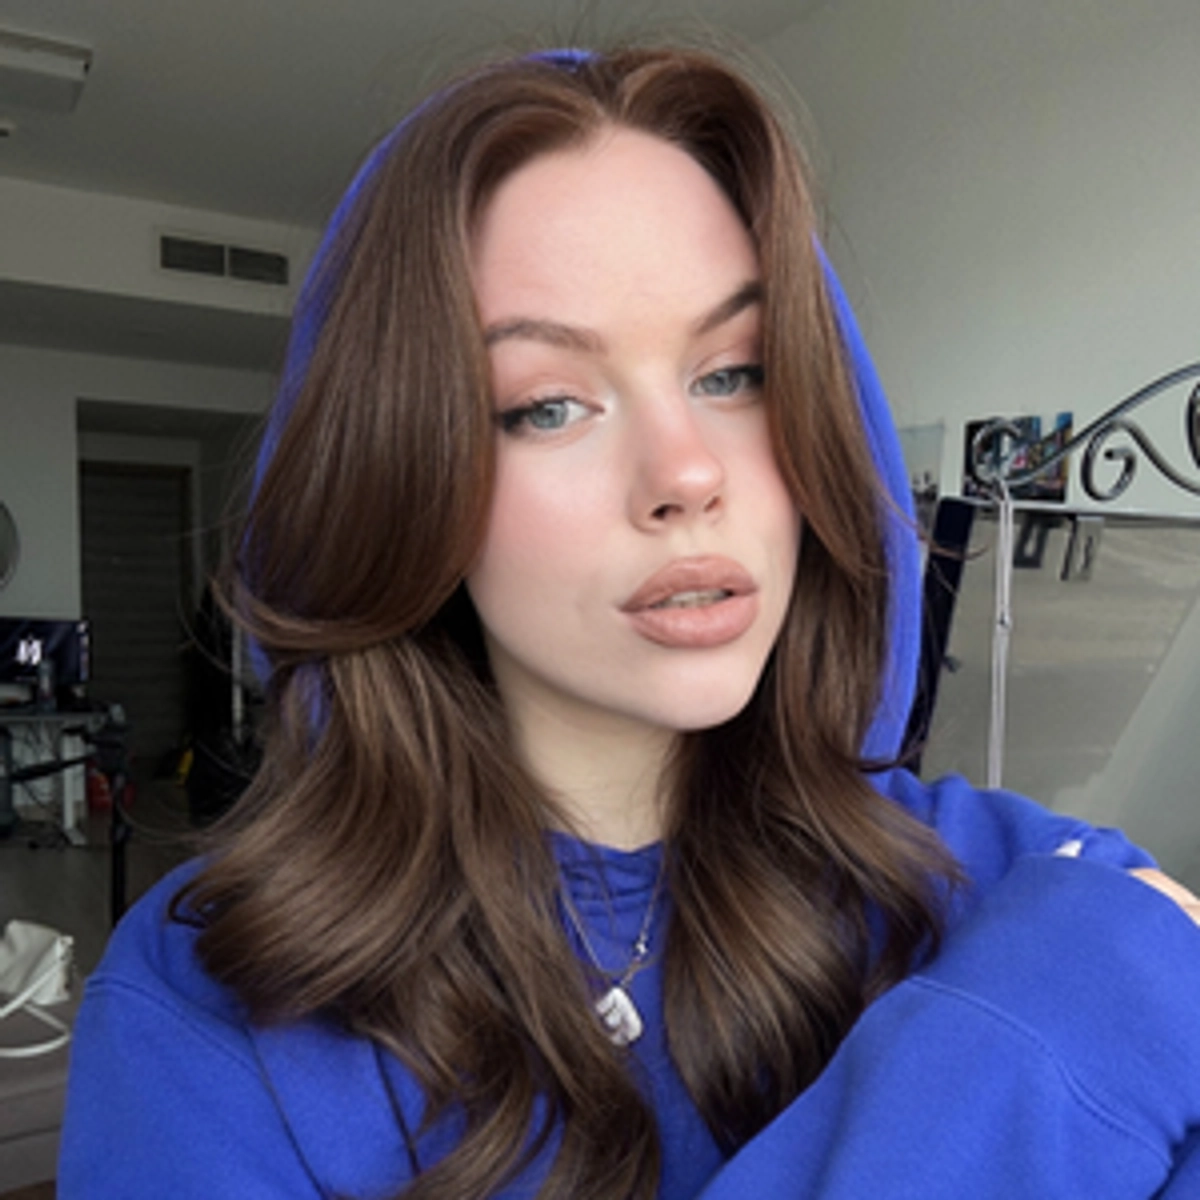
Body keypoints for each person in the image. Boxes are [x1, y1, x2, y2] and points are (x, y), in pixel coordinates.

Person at [60, 45, 1200, 1199]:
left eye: (735, 373)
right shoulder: (206, 1011)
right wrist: (1019, 1062)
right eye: (550, 404)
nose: (687, 473)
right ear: (404, 480)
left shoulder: (1005, 881)